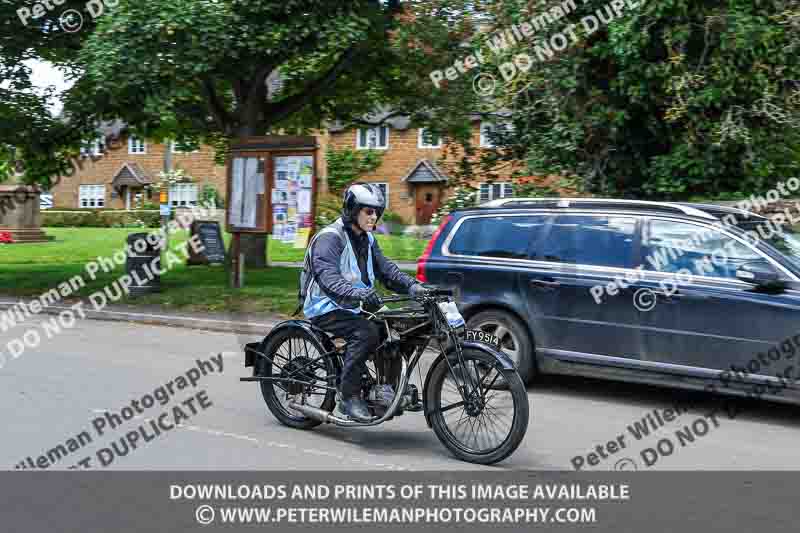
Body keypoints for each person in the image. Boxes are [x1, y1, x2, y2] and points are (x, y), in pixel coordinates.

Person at [302, 183, 429, 421]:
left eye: (377, 212)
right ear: (352, 210)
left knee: (403, 328)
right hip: (326, 305)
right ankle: (349, 396)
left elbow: (387, 271)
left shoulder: (367, 240)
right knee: (366, 332)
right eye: (368, 211)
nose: (374, 217)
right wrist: (358, 294)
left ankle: (386, 390)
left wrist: (413, 286)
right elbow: (328, 278)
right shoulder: (331, 238)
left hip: (357, 304)